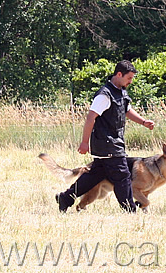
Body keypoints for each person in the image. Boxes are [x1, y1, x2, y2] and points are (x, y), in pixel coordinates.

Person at [56, 60, 155, 213]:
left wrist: (143, 122)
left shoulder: (121, 91)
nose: (131, 81)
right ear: (119, 74)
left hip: (113, 143)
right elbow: (90, 118)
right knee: (123, 176)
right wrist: (84, 142)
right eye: (129, 78)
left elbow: (127, 110)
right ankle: (129, 209)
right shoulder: (104, 94)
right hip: (107, 144)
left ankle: (66, 197)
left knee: (94, 176)